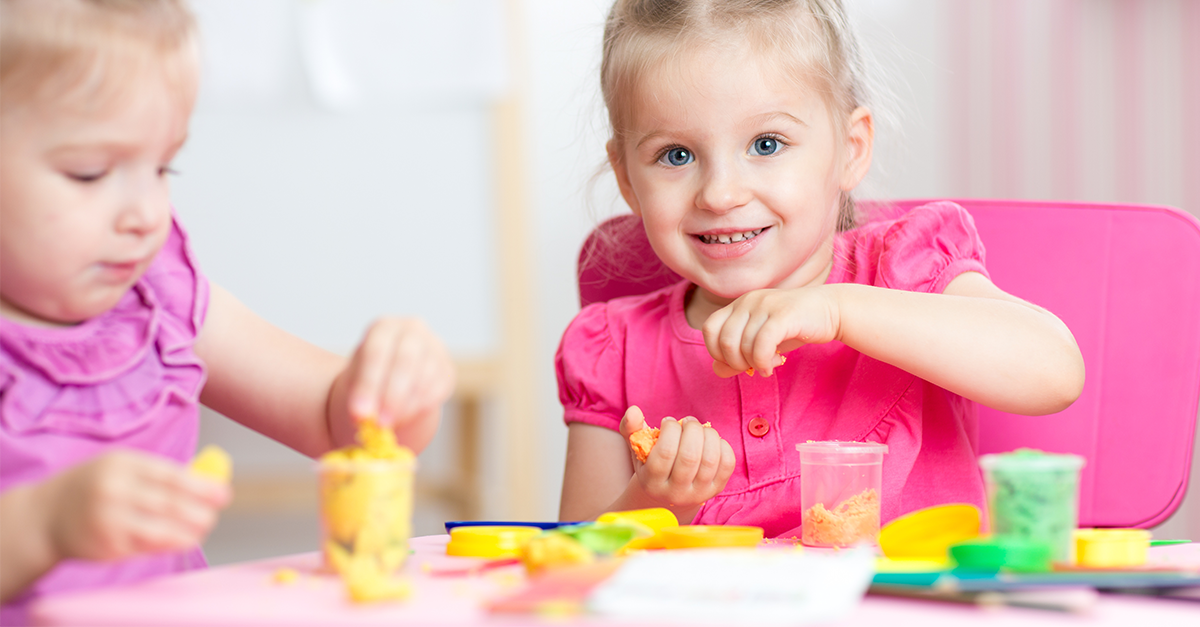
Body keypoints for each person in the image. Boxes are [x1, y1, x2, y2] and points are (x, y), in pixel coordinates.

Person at [556, 0, 1085, 536]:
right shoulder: (611, 350)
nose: (719, 194)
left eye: (766, 144)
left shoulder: (904, 268)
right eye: (676, 155)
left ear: (850, 150)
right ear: (627, 179)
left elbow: (1055, 372)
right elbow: (575, 557)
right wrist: (655, 499)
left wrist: (838, 310)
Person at [0, 0, 455, 617]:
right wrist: (41, 523)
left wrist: (393, 385)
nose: (145, 215)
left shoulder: (160, 296)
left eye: (162, 167)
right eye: (90, 172)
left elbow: (333, 421)